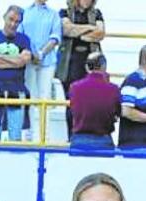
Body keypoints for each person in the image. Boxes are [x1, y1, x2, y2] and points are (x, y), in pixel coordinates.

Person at [0, 6, 34, 142]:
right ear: (4, 17)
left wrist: (0, 57)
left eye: (17, 21)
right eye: (11, 19)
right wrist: (14, 60)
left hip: (16, 90)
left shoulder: (24, 39)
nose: (13, 24)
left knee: (16, 136)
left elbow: (23, 61)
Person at [56, 0, 106, 137]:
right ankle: (72, 136)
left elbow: (100, 33)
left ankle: (89, 136)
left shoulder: (97, 13)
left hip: (92, 65)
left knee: (91, 103)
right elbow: (67, 30)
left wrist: (78, 32)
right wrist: (90, 28)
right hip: (70, 65)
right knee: (71, 103)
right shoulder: (64, 12)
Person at [18, 0, 63, 141]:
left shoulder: (54, 15)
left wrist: (41, 53)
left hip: (48, 61)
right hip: (29, 61)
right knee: (29, 97)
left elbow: (55, 37)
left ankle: (44, 136)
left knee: (45, 97)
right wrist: (31, 54)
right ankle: (29, 133)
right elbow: (20, 35)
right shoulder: (24, 12)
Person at [67, 52, 121, 150]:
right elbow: (117, 112)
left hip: (79, 140)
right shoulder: (113, 89)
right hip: (103, 140)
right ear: (104, 67)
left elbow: (73, 110)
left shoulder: (74, 87)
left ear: (87, 67)